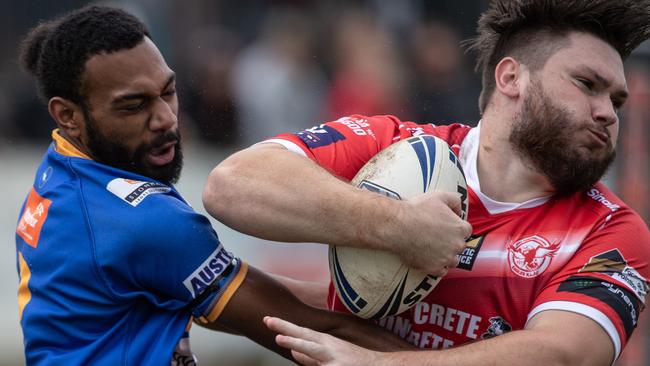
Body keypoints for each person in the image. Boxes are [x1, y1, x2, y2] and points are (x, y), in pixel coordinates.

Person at [202, 0, 650, 365]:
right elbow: (233, 185)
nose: (608, 113)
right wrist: (396, 225)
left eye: (616, 99)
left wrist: (374, 363)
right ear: (511, 77)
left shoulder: (611, 231)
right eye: (587, 84)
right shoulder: (395, 145)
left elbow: (561, 354)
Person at [13, 6, 411, 365]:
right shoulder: (143, 222)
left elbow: (213, 294)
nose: (165, 119)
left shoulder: (62, 173)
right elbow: (308, 333)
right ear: (67, 114)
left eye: (168, 92)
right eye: (133, 106)